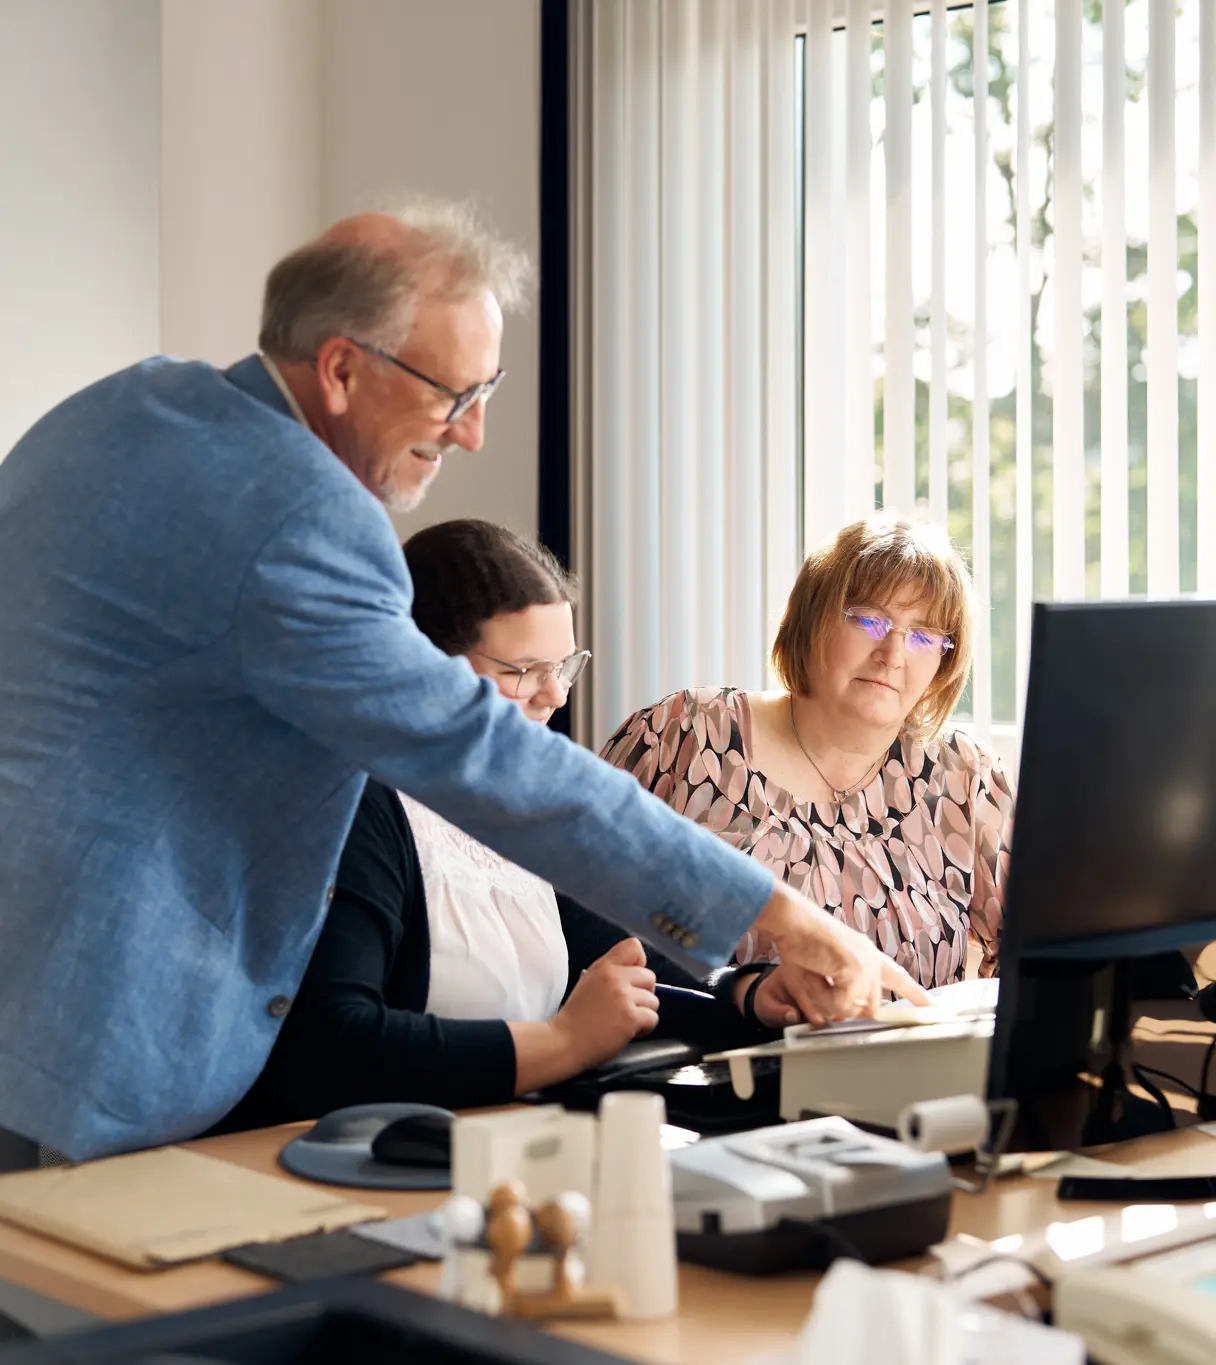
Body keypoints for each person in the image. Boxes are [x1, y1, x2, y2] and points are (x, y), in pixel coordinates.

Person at [0, 198, 926, 1160]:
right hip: (75, 1066)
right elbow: (494, 762)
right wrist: (784, 918)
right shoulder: (301, 518)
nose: (474, 432)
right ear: (342, 367)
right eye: (453, 394)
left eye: (488, 388)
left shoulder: (128, 408)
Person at [223, 520, 780, 1128]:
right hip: (363, 1161)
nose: (554, 697)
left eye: (564, 668)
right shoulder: (363, 805)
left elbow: (634, 971)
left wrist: (750, 995)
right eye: (524, 671)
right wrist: (564, 1041)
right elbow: (333, 1047)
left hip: (508, 1151)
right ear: (428, 666)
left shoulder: (519, 811)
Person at [602, 515, 1014, 993]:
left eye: (923, 635)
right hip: (711, 1056)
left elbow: (1042, 953)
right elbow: (577, 913)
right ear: (811, 617)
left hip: (907, 1063)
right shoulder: (688, 732)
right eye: (868, 619)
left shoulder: (965, 778)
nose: (893, 653)